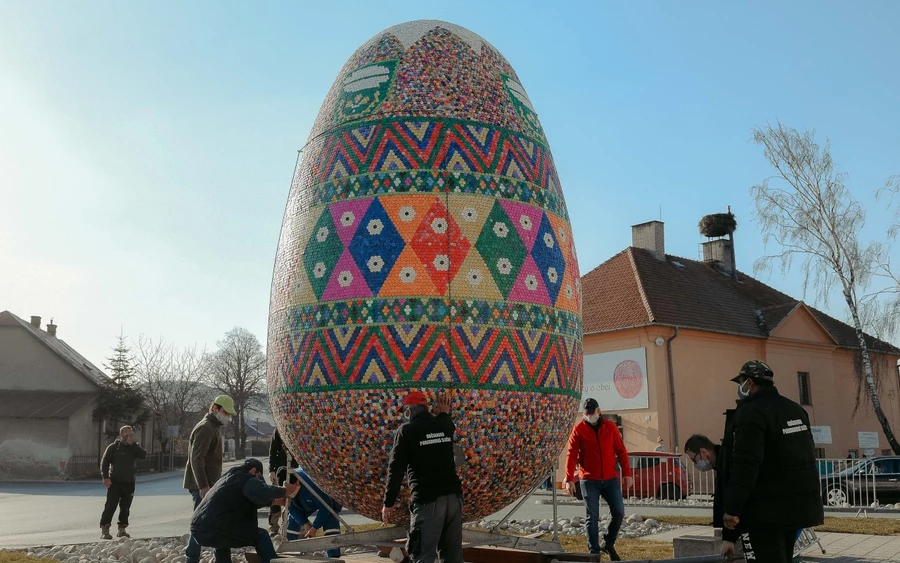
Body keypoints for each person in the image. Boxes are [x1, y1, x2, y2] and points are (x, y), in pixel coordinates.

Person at [723, 361, 824, 563]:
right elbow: (805, 456)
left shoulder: (751, 413)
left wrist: (732, 509)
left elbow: (746, 465)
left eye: (741, 382)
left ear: (749, 383)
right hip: (798, 504)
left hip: (766, 510)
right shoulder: (795, 409)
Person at [382, 391, 463, 563]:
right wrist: (443, 412)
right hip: (454, 499)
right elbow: (448, 424)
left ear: (409, 411)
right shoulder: (444, 424)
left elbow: (396, 469)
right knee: (452, 556)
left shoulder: (407, 431)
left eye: (404, 411)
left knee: (422, 554)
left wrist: (388, 503)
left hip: (428, 501)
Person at [564, 398, 633, 561]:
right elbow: (571, 454)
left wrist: (627, 473)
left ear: (598, 411)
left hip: (610, 479)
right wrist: (568, 478)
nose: (589, 416)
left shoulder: (610, 427)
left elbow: (621, 450)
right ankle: (594, 553)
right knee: (592, 517)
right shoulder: (578, 430)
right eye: (586, 413)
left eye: (592, 413)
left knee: (619, 512)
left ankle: (608, 543)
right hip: (589, 480)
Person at [191, 458, 298, 563]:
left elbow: (249, 500)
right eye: (259, 478)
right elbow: (262, 491)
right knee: (261, 536)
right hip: (215, 528)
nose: (259, 481)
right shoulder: (246, 478)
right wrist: (284, 491)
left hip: (199, 528)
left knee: (221, 543)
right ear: (253, 471)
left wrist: (274, 502)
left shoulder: (229, 479)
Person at [184, 395, 235, 563]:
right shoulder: (206, 428)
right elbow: (197, 458)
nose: (227, 416)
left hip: (209, 485)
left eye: (229, 414)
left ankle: (214, 557)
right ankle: (193, 558)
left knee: (208, 522)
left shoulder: (213, 427)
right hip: (203, 486)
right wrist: (203, 486)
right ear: (215, 408)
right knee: (202, 523)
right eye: (225, 412)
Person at [683, 433, 741, 555]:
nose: (695, 464)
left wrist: (729, 538)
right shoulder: (722, 464)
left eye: (694, 459)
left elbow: (733, 501)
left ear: (703, 452)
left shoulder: (728, 464)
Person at [99, 425, 147, 539]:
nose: (129, 436)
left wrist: (133, 444)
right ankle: (105, 529)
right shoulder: (113, 447)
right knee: (110, 505)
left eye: (131, 434)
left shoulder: (134, 447)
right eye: (126, 434)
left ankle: (122, 529)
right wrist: (105, 477)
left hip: (129, 482)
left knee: (125, 507)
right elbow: (104, 462)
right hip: (114, 482)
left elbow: (143, 455)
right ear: (121, 435)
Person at [286, 467, 343, 558]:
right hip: (302, 501)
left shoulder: (311, 485)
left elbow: (326, 506)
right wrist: (304, 523)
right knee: (293, 520)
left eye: (290, 490)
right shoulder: (285, 483)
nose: (288, 493)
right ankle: (290, 551)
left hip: (327, 497)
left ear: (297, 482)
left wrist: (314, 528)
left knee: (330, 520)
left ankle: (333, 555)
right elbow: (290, 507)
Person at [267, 428, 299, 534]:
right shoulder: (279, 430)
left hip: (296, 470)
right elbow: (273, 450)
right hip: (280, 470)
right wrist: (271, 470)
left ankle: (287, 526)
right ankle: (274, 527)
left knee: (292, 499)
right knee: (276, 499)